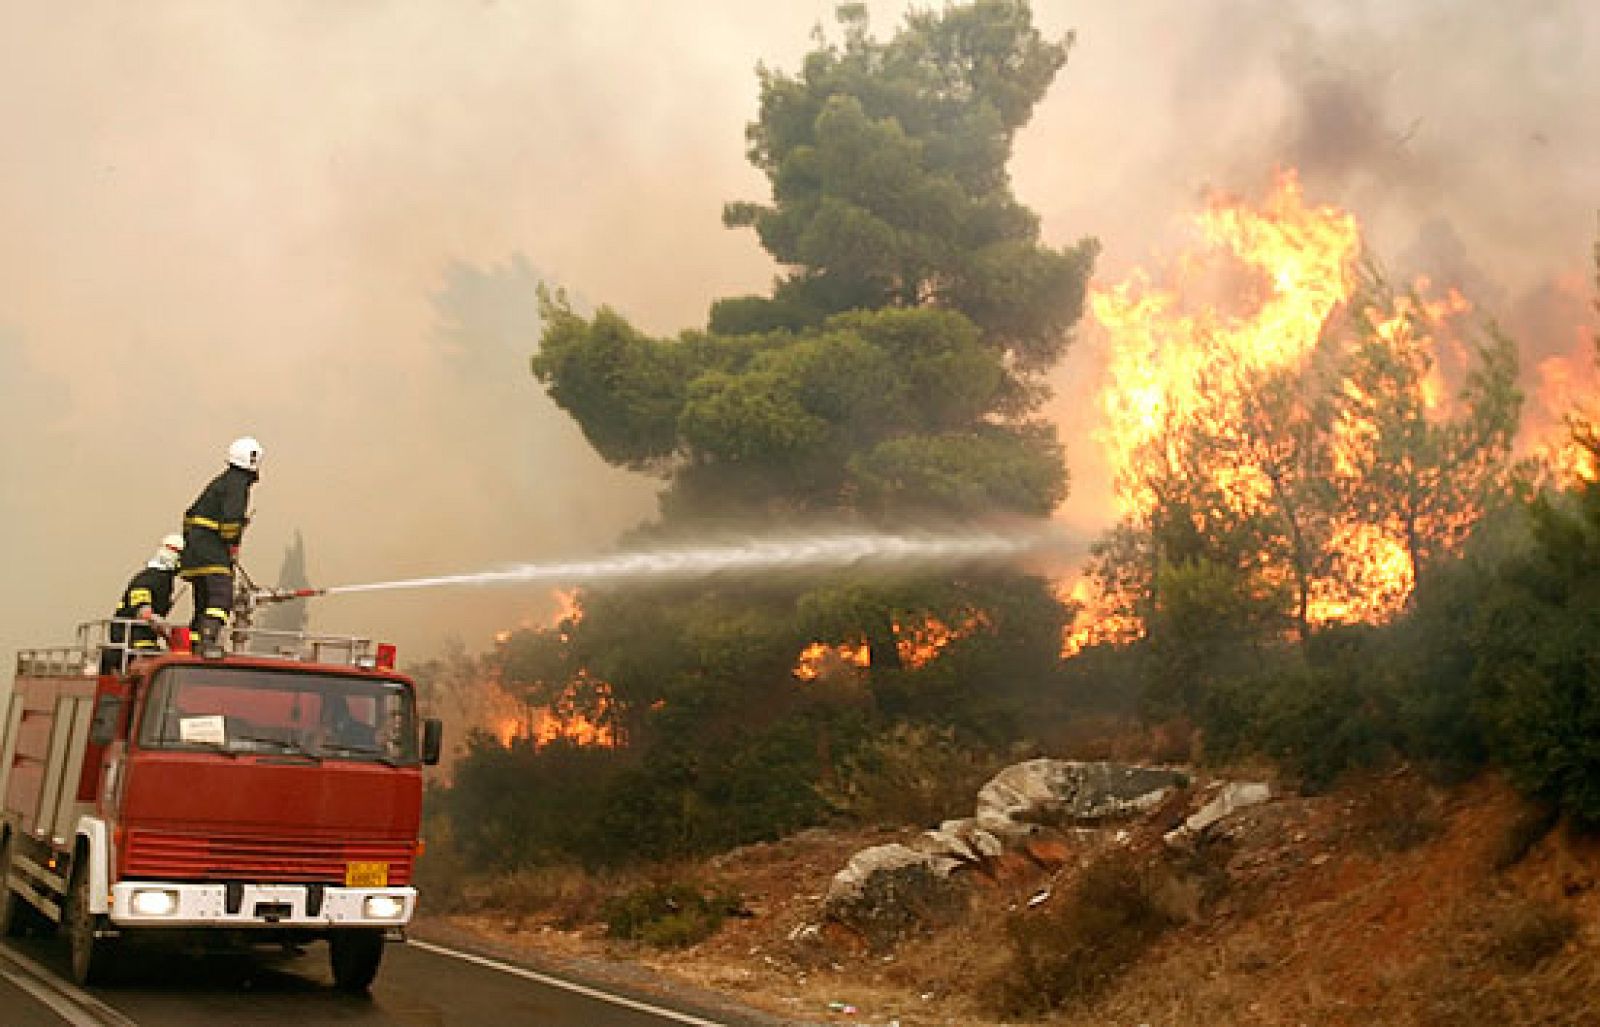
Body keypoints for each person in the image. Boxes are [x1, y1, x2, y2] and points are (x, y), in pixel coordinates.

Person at [179, 436, 262, 650]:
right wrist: (232, 544)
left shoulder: (220, 482)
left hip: (193, 552)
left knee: (203, 603)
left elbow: (189, 517)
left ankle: (196, 645)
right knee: (221, 598)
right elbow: (231, 521)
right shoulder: (238, 484)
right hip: (212, 551)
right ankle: (207, 642)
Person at [102, 534, 184, 674]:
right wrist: (165, 628)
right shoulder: (153, 578)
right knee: (153, 670)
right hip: (132, 640)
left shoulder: (162, 578)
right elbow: (143, 610)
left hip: (138, 638)